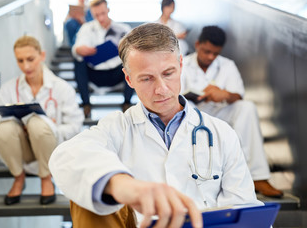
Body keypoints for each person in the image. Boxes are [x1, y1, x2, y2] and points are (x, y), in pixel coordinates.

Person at [49, 23, 262, 228]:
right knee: (93, 193)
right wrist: (123, 186)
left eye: (168, 73)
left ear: (180, 65)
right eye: (147, 78)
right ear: (129, 79)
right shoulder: (117, 127)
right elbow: (65, 157)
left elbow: (244, 208)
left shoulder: (221, 133)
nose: (161, 89)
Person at [180, 25, 283, 198]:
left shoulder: (227, 65)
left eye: (215, 53)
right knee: (187, 109)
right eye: (206, 52)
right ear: (197, 44)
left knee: (247, 108)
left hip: (221, 114)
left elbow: (238, 95)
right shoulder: (183, 64)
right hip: (193, 115)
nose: (210, 57)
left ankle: (257, 177)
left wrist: (224, 94)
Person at [0, 36, 84, 205]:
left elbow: (75, 127)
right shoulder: (8, 88)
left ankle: (46, 177)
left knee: (38, 124)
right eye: (20, 60)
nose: (26, 66)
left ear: (42, 55)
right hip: (21, 149)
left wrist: (49, 127)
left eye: (30, 59)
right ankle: (18, 176)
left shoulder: (62, 88)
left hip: (50, 147)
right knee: (4, 128)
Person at [72, 0, 134, 118]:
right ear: (91, 13)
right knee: (78, 60)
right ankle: (86, 104)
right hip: (95, 74)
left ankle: (127, 102)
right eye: (96, 15)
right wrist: (79, 50)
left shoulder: (123, 29)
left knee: (132, 59)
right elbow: (77, 48)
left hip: (117, 73)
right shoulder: (86, 28)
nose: (100, 18)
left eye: (103, 13)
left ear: (108, 10)